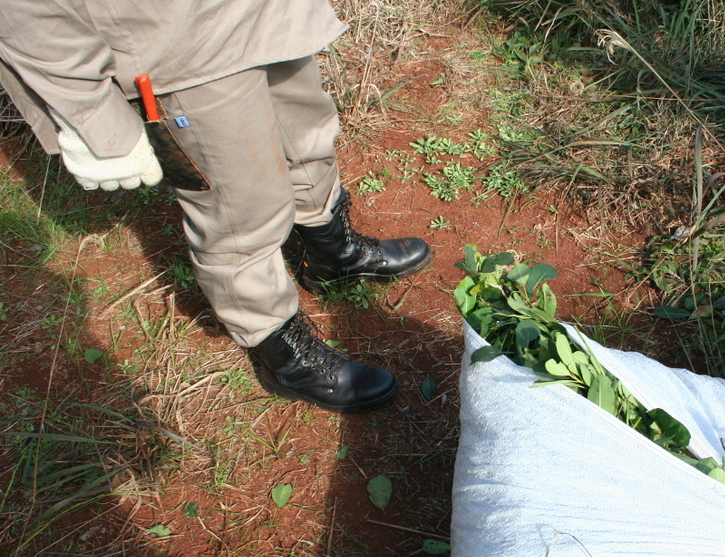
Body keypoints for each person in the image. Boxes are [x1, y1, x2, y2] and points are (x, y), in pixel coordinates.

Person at [0, 0, 431, 413]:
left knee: (307, 142)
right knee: (239, 211)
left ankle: (334, 254)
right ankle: (282, 356)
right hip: (172, 44)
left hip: (266, 13)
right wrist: (89, 111)